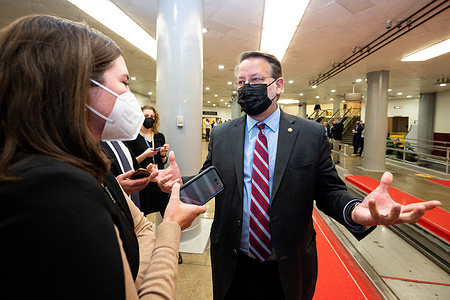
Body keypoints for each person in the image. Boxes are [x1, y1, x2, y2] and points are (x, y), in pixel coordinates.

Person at [154, 51, 441, 299]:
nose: (246, 88)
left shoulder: (310, 134)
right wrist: (181, 186)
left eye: (255, 80)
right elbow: (210, 181)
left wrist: (356, 211)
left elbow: (328, 191)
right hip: (232, 262)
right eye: (241, 82)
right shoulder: (222, 134)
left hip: (289, 265)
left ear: (277, 85)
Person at [0, 15, 205, 299]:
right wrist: (170, 227)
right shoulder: (55, 194)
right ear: (75, 88)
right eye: (123, 82)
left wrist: (118, 192)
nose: (128, 96)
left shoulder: (87, 164)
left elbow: (140, 228)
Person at [126, 105, 169, 171]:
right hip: (142, 177)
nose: (149, 118)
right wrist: (145, 155)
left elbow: (164, 162)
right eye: (146, 116)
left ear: (155, 119)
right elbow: (130, 164)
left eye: (152, 116)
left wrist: (162, 154)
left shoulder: (160, 136)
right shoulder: (133, 137)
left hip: (159, 175)